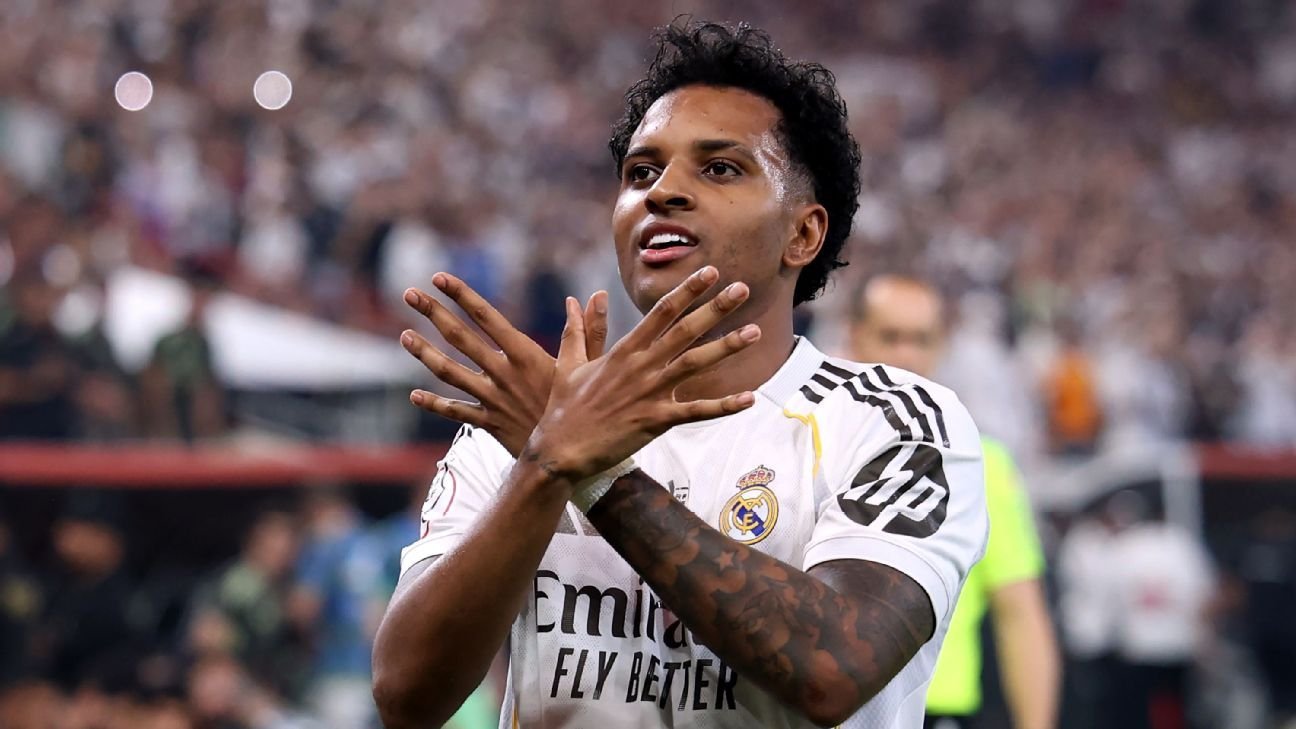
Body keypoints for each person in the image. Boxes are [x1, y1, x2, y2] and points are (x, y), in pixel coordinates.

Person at [374, 20, 988, 729]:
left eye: (719, 168)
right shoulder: (528, 425)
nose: (661, 191)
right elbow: (405, 698)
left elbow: (833, 668)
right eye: (641, 173)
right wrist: (541, 467)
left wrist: (593, 472)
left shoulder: (893, 422)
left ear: (803, 234)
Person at [847, 275, 1060, 729]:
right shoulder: (813, 443)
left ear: (941, 346)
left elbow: (1020, 614)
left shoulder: (982, 463)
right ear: (855, 336)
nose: (906, 355)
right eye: (891, 337)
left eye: (921, 340)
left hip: (937, 709)